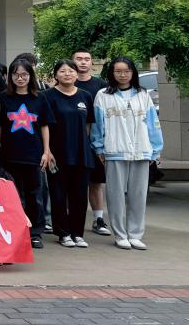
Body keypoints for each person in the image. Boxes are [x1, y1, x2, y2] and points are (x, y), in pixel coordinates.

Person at [92, 57, 163, 250]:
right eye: (118, 71)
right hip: (115, 150)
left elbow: (153, 124)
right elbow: (98, 125)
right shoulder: (103, 95)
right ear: (112, 73)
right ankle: (120, 234)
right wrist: (99, 147)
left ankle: (135, 234)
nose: (122, 75)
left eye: (127, 71)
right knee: (115, 195)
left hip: (142, 150)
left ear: (133, 73)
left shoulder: (143, 94)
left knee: (138, 195)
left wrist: (155, 149)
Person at [0, 58, 54, 250]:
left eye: (24, 74)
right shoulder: (3, 97)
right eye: (16, 74)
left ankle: (35, 233)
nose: (20, 78)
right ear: (10, 77)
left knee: (35, 195)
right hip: (10, 154)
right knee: (13, 196)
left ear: (31, 76)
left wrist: (46, 151)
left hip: (34, 155)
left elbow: (45, 126)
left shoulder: (40, 98)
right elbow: (0, 127)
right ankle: (15, 230)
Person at [44, 59, 96, 248]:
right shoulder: (47, 96)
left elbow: (88, 125)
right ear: (56, 75)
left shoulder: (85, 96)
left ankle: (77, 233)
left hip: (81, 153)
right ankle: (63, 233)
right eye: (63, 71)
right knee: (58, 195)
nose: (67, 74)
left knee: (80, 196)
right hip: (57, 153)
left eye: (71, 71)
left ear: (76, 74)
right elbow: (44, 125)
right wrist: (47, 150)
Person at [73, 48, 111, 238]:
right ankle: (69, 221)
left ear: (91, 62)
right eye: (79, 59)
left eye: (86, 59)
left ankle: (99, 219)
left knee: (96, 182)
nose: (83, 62)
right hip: (73, 143)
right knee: (72, 184)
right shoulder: (66, 83)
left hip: (96, 143)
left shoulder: (102, 86)